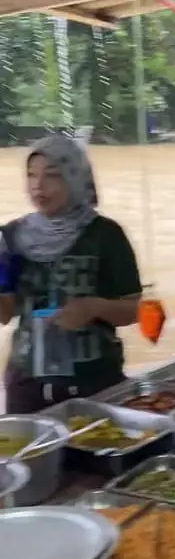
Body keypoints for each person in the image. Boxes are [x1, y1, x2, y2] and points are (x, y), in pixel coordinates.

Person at [0, 135, 142, 413]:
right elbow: (5, 313)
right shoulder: (12, 236)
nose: (38, 185)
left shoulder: (105, 234)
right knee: (27, 456)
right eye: (31, 175)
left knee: (95, 455)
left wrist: (94, 307)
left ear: (75, 176)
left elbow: (137, 310)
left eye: (51, 175)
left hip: (95, 381)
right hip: (26, 384)